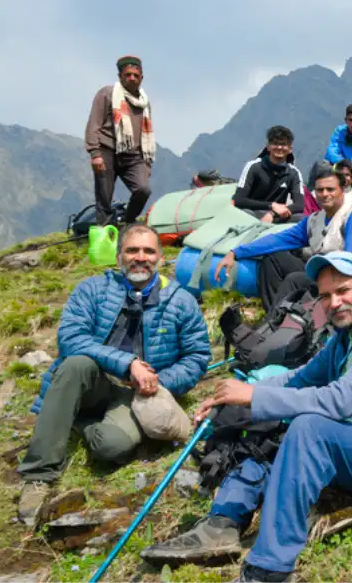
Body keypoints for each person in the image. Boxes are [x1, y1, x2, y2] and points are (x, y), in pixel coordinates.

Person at [142, 252, 352, 583]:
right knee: (279, 425)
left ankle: (270, 568)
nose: (334, 302)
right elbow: (300, 377)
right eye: (326, 295)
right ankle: (224, 521)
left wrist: (256, 397)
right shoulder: (348, 333)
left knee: (308, 427)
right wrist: (235, 395)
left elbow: (340, 400)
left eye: (343, 291)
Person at [17, 224, 210, 526]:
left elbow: (197, 357)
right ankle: (38, 475)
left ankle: (74, 419)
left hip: (140, 394)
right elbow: (71, 339)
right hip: (96, 378)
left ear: (160, 257)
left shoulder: (180, 300)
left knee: (111, 447)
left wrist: (160, 382)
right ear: (119, 256)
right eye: (132, 250)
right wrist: (128, 363)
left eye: (148, 251)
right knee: (76, 363)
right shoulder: (92, 290)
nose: (140, 258)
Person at [216, 165, 352, 311]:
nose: (325, 194)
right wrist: (236, 252)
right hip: (323, 274)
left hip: (347, 283)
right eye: (320, 190)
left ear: (343, 189)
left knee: (295, 279)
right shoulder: (314, 220)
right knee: (273, 257)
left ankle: (275, 325)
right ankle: (276, 316)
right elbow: (278, 240)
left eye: (330, 189)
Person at [85, 55, 156, 225]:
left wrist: (146, 164)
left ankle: (128, 221)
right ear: (120, 76)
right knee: (104, 197)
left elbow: (147, 134)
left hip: (133, 155)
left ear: (142, 78)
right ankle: (106, 234)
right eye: (128, 74)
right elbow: (94, 123)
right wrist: (95, 153)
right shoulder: (107, 94)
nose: (132, 78)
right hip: (106, 150)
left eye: (136, 75)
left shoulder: (144, 103)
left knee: (143, 189)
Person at [234, 126, 306, 223]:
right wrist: (271, 205)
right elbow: (239, 200)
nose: (279, 147)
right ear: (268, 146)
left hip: (277, 215)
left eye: (284, 144)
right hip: (254, 212)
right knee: (245, 214)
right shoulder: (253, 166)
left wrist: (272, 213)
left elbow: (299, 205)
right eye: (275, 143)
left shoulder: (293, 173)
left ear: (290, 149)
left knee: (301, 218)